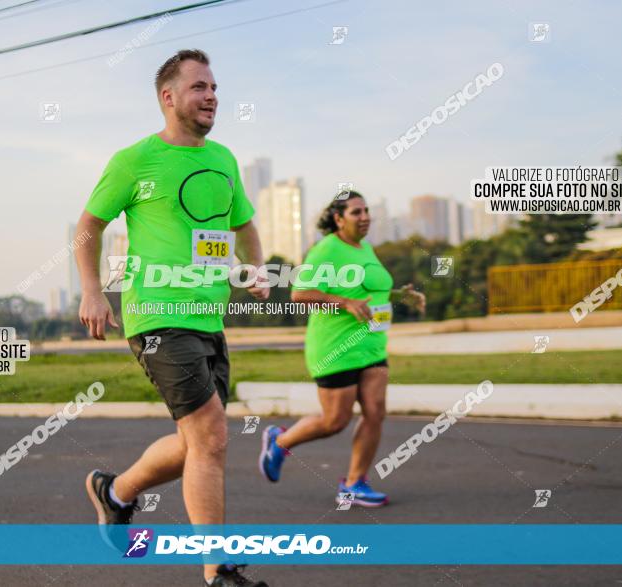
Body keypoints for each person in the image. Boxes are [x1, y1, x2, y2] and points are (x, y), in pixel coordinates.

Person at [75, 49, 270, 587]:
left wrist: (255, 269)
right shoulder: (136, 160)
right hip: (156, 316)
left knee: (196, 444)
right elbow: (89, 224)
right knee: (210, 436)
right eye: (199, 87)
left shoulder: (225, 158)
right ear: (168, 98)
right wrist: (93, 291)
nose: (211, 97)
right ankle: (218, 571)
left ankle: (114, 492)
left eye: (214, 88)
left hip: (208, 318)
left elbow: (244, 223)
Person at [259, 191, 426, 507]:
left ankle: (354, 484)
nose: (364, 217)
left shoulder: (365, 248)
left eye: (366, 211)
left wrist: (401, 295)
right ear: (338, 218)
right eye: (355, 212)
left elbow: (369, 289)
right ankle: (279, 441)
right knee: (335, 421)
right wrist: (344, 302)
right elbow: (300, 293)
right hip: (336, 348)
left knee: (375, 413)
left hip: (372, 345)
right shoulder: (326, 249)